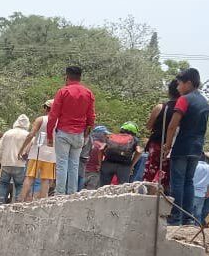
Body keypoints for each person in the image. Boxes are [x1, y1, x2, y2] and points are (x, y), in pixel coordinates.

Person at [163, 68, 209, 225]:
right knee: (189, 182)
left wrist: (167, 146)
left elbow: (172, 126)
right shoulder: (204, 102)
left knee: (177, 182)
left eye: (179, 84)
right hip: (197, 148)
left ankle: (175, 218)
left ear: (188, 83)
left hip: (182, 146)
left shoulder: (184, 99)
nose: (177, 88)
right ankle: (188, 219)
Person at [48, 66, 97, 195]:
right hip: (79, 133)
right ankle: (71, 194)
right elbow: (91, 116)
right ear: (80, 77)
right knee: (74, 165)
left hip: (63, 132)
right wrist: (88, 130)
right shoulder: (88, 93)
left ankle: (59, 194)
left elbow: (53, 115)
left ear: (67, 76)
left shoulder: (63, 92)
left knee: (62, 164)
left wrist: (49, 134)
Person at [144, 80, 180, 190]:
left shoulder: (160, 107)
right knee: (165, 175)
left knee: (150, 173)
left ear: (169, 92)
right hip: (172, 147)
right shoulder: (182, 110)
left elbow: (148, 126)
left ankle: (147, 196)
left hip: (156, 144)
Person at [19, 100, 57, 201]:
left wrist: (22, 149)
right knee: (45, 179)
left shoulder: (41, 119)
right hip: (51, 153)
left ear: (46, 108)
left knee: (30, 176)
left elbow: (31, 134)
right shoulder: (59, 121)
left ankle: (21, 199)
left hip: (37, 151)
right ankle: (42, 201)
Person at [0, 114, 30, 204]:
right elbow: (30, 150)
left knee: (4, 184)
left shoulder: (8, 133)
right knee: (19, 185)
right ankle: (18, 203)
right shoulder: (28, 135)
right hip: (20, 164)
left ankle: (1, 202)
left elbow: (0, 148)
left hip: (6, 163)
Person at [100, 122, 143, 187]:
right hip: (124, 166)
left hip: (107, 163)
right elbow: (139, 151)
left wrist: (100, 163)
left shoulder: (112, 136)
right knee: (123, 188)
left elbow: (101, 149)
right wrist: (132, 165)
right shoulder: (134, 139)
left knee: (103, 187)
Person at [193, 154, 209, 226]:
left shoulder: (194, 166)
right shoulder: (208, 167)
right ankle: (197, 227)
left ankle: (190, 227)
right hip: (202, 194)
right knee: (198, 214)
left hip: (192, 192)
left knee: (190, 213)